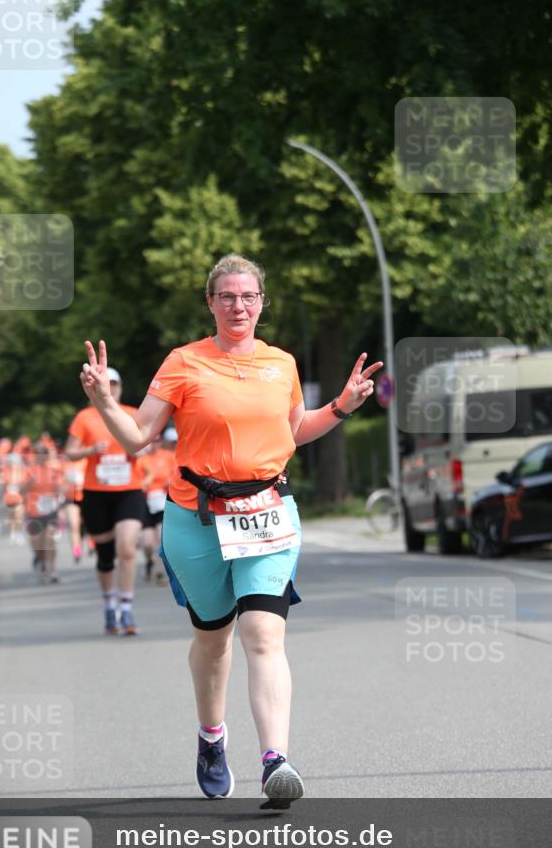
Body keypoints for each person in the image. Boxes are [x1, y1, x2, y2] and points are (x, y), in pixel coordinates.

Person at [78, 253, 382, 807]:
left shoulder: (281, 363)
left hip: (268, 513)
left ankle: (275, 762)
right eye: (227, 296)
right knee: (213, 639)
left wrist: (341, 406)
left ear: (262, 302)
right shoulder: (184, 362)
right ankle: (212, 736)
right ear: (210, 303)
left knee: (264, 634)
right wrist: (103, 400)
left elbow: (294, 430)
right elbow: (137, 436)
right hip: (196, 520)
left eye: (248, 296)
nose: (238, 305)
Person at [65, 366, 145, 635]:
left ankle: (127, 606)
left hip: (129, 490)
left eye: (115, 383)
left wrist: (139, 450)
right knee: (106, 555)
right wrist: (90, 450)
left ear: (121, 387)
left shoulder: (132, 414)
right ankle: (109, 603)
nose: (110, 387)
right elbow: (70, 453)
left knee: (127, 549)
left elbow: (146, 445)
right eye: (106, 383)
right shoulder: (85, 417)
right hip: (96, 493)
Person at [22, 442, 65, 584]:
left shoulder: (53, 470)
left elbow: (60, 488)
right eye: (38, 454)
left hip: (50, 509)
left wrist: (59, 493)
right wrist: (29, 484)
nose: (41, 456)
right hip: (34, 510)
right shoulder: (29, 471)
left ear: (47, 455)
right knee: (38, 543)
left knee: (50, 539)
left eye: (43, 453)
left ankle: (52, 570)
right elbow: (21, 491)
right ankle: (41, 563)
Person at [139, 434, 175, 584]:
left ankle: (160, 574)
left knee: (160, 539)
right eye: (150, 441)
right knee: (147, 543)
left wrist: (170, 481)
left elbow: (177, 474)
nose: (153, 444)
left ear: (161, 442)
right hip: (145, 504)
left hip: (162, 501)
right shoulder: (142, 459)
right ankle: (149, 561)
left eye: (156, 440)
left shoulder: (168, 456)